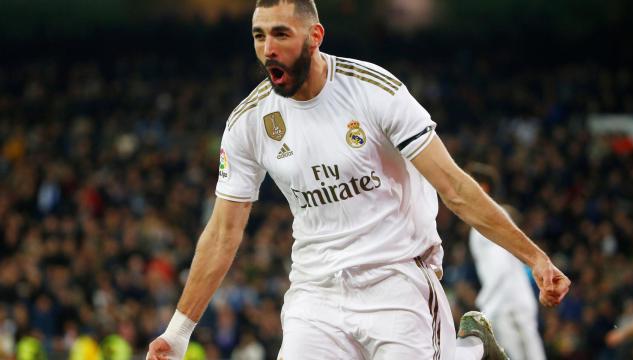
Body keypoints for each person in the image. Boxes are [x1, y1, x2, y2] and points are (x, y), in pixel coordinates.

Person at [146, 1, 571, 359]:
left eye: (281, 34)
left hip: (397, 280)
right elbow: (222, 233)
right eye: (259, 36)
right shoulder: (248, 123)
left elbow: (456, 188)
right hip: (316, 293)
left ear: (315, 36)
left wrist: (534, 258)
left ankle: (469, 349)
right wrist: (178, 332)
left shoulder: (373, 92)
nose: (268, 49)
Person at [466, 163, 547, 360]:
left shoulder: (483, 221)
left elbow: (499, 264)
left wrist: (485, 304)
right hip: (518, 296)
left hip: (503, 302)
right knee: (532, 350)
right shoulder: (498, 215)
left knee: (518, 354)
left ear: (482, 187)